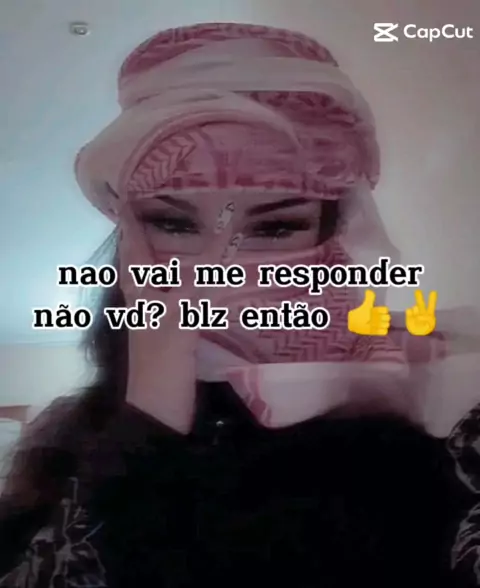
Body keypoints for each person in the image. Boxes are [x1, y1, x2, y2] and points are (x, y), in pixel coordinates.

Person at [0, 22, 473, 587]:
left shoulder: (430, 429)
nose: (217, 265)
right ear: (128, 242)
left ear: (335, 238)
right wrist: (153, 396)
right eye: (173, 222)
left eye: (275, 227)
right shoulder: (70, 441)